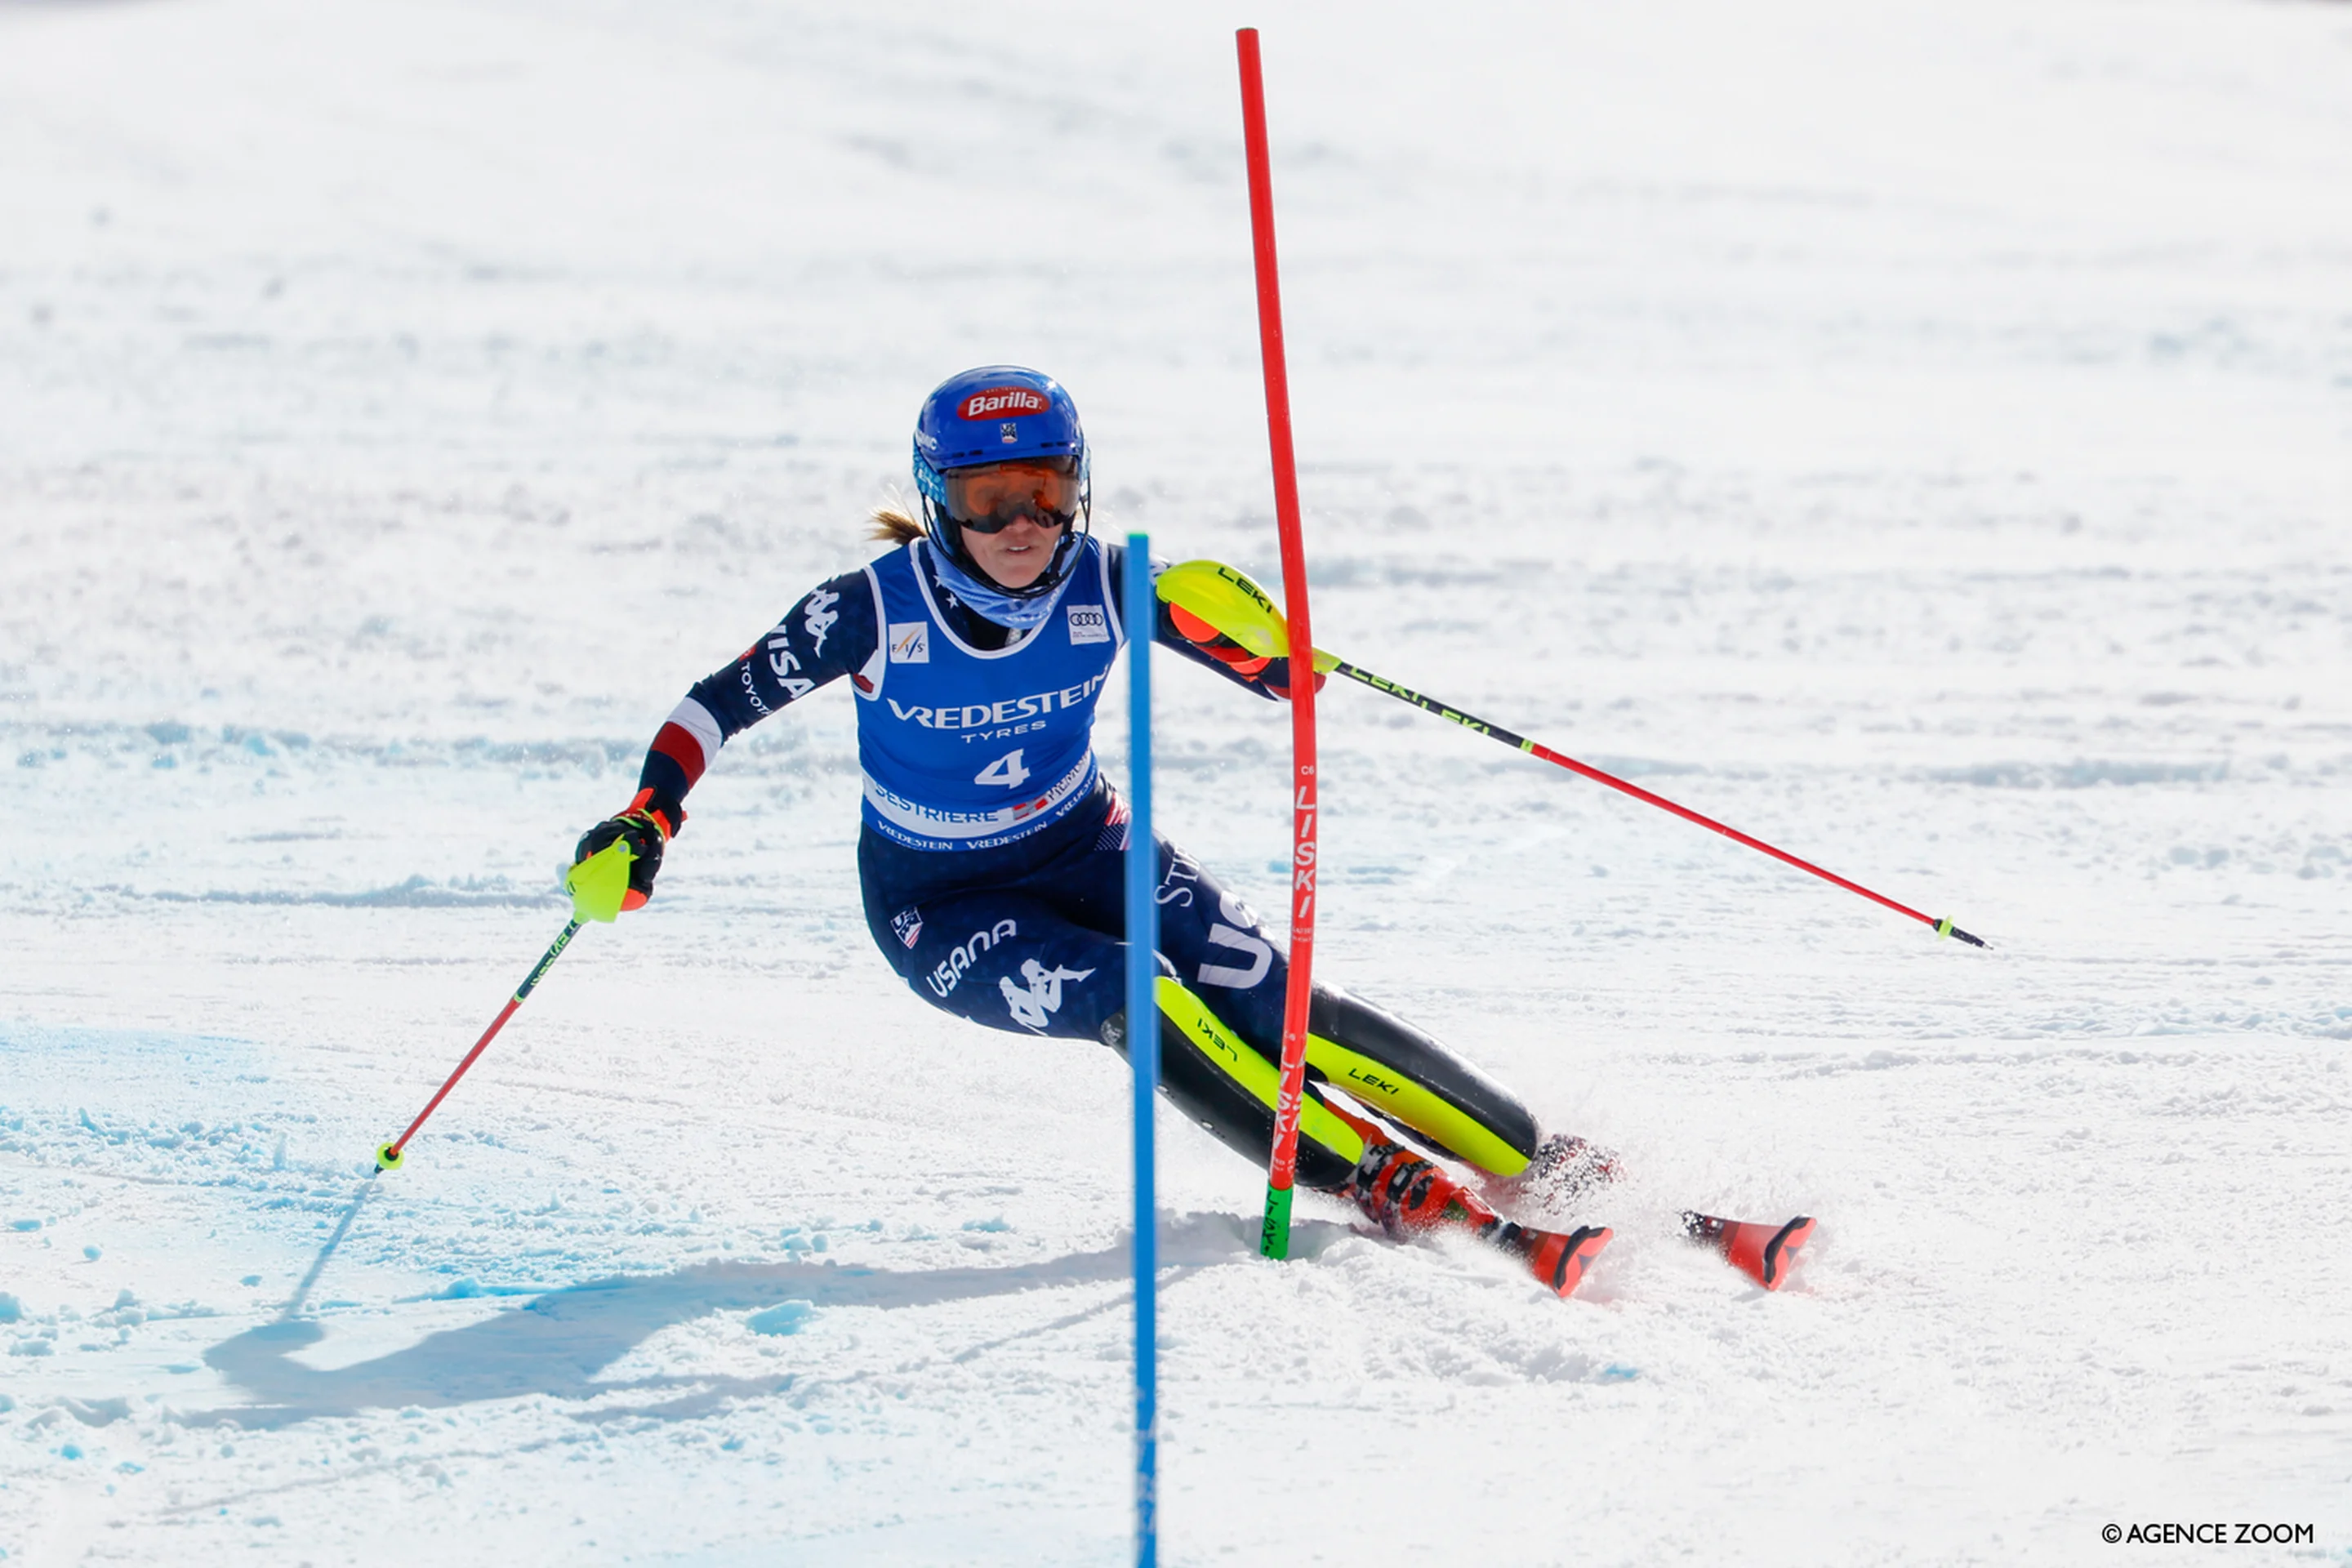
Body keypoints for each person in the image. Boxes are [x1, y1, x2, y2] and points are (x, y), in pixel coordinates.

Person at [572, 366, 1617, 1295]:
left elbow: (1273, 673)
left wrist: (1273, 653)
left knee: (1276, 999)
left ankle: (1533, 1156)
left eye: (1045, 491)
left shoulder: (1107, 579)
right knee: (1135, 994)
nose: (1022, 523)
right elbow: (716, 701)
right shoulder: (872, 609)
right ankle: (1386, 1184)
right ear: (939, 504)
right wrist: (647, 813)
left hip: (1087, 843)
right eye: (989, 501)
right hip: (940, 907)